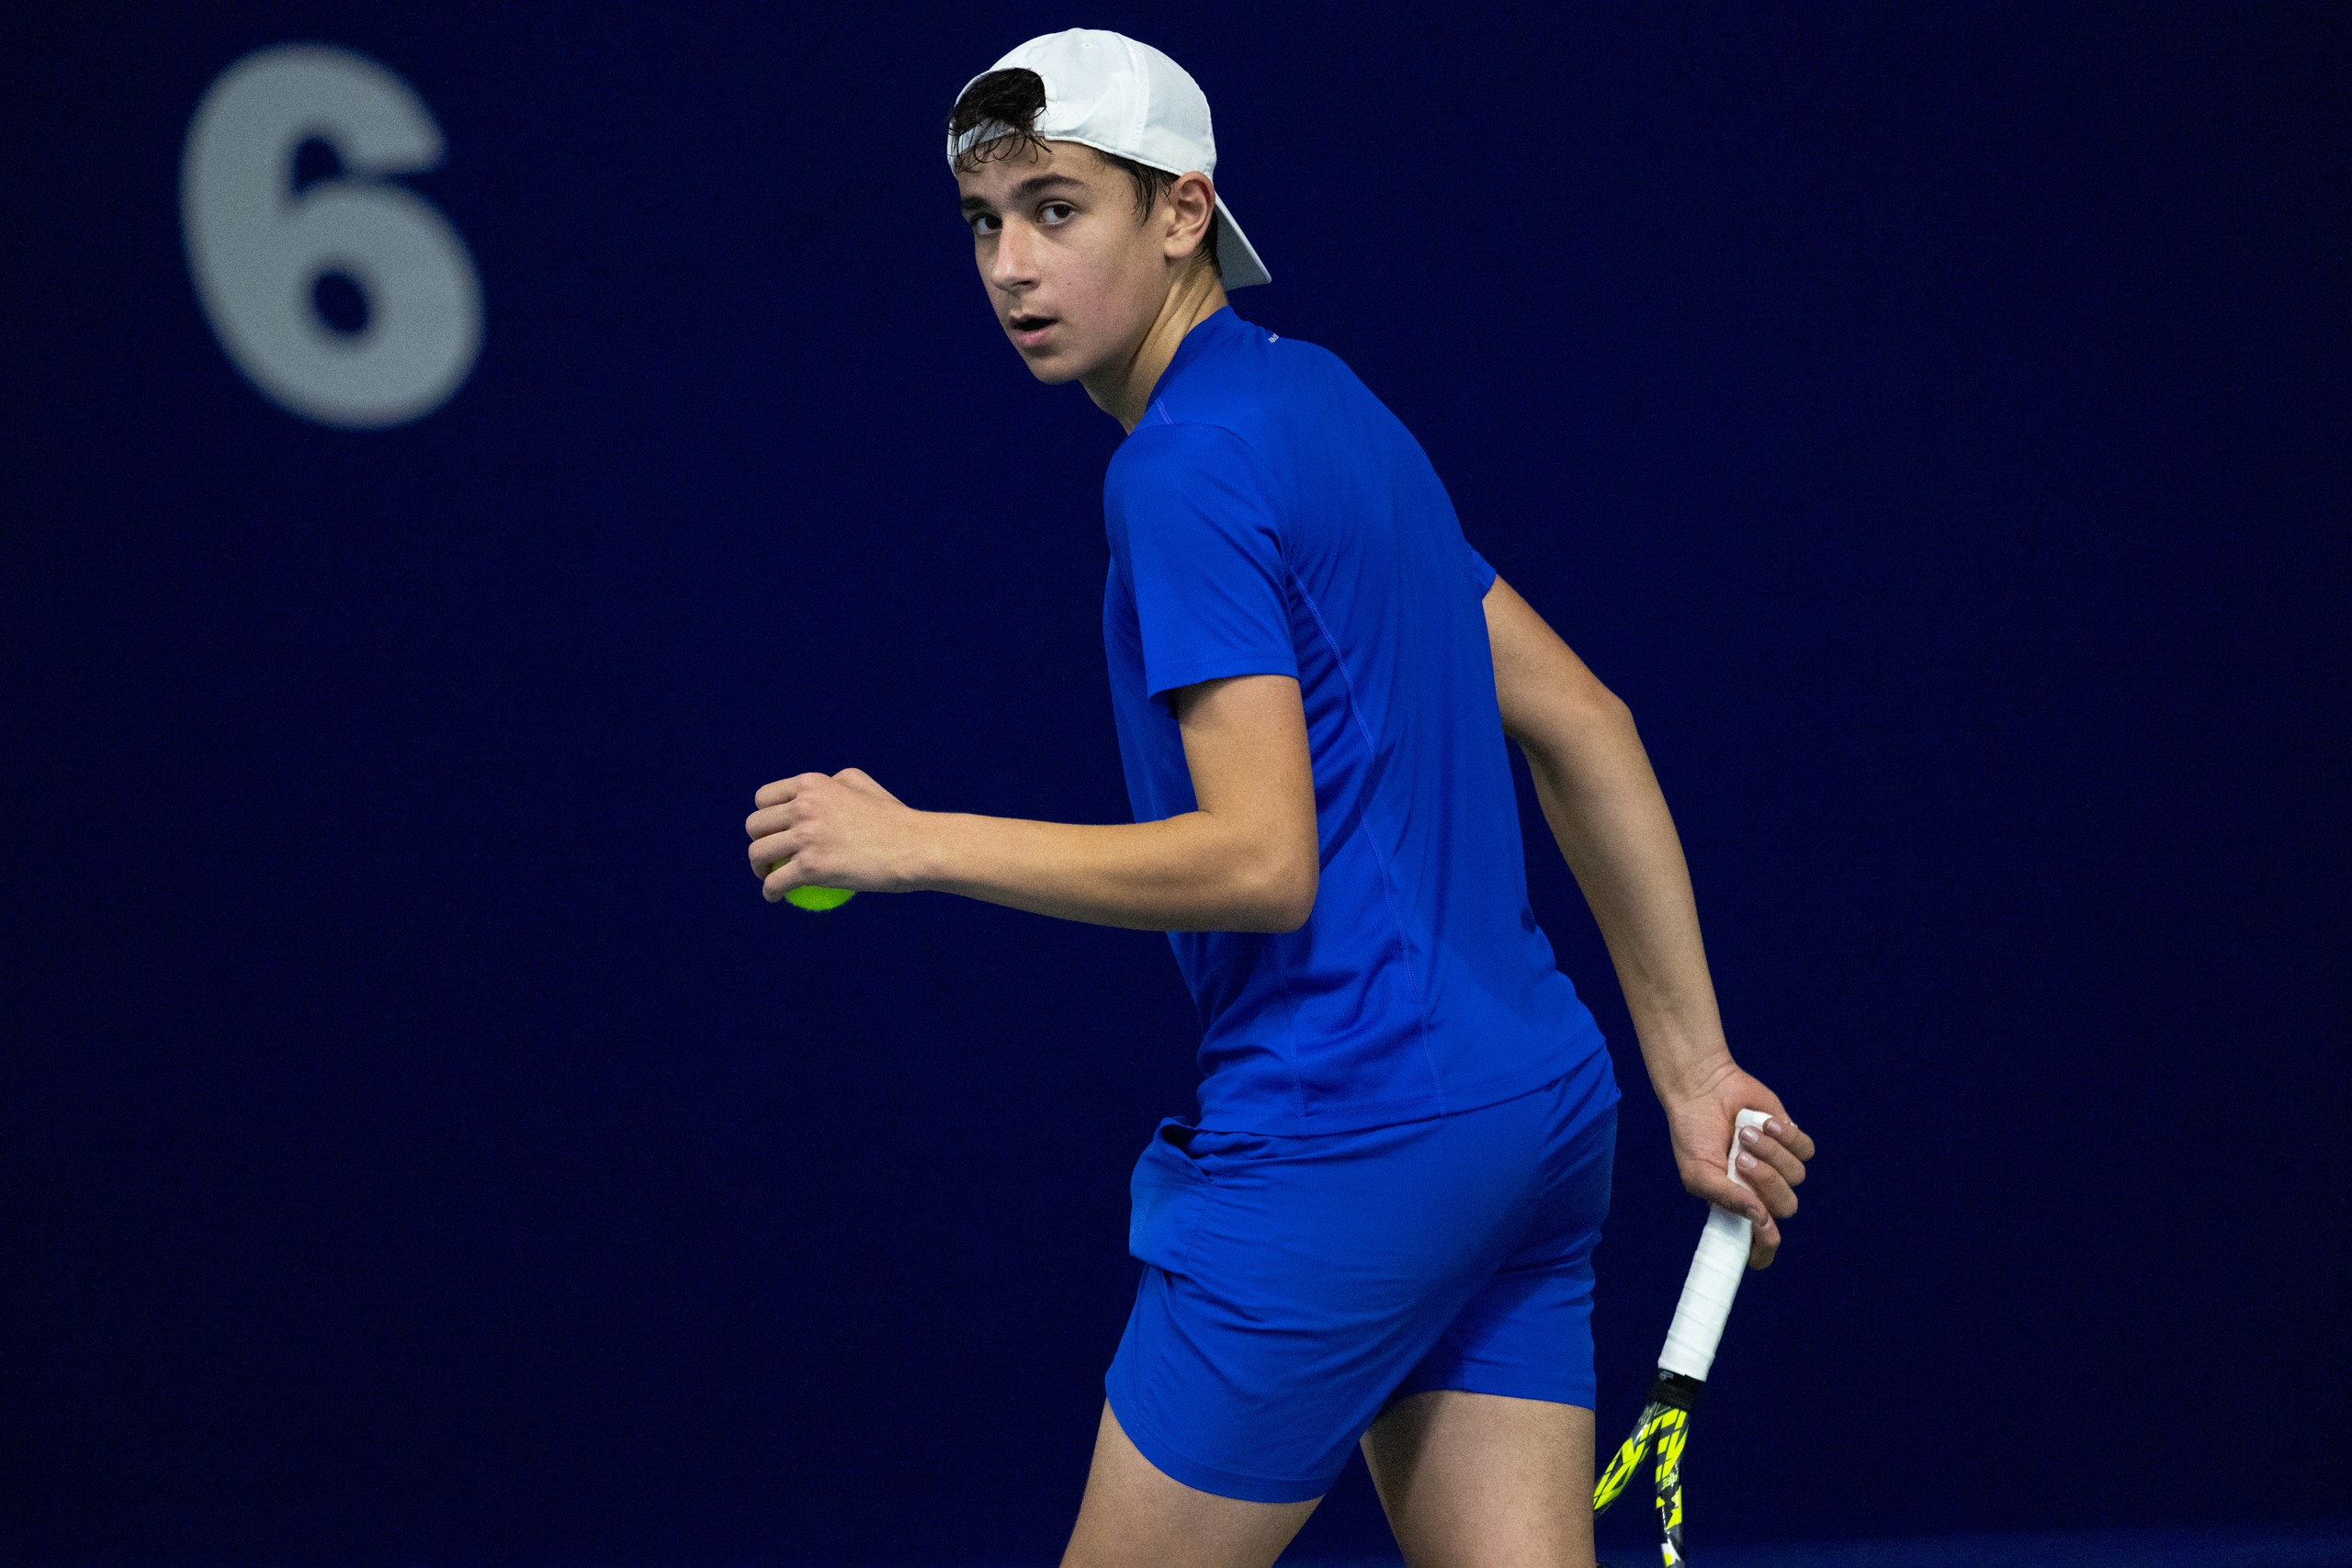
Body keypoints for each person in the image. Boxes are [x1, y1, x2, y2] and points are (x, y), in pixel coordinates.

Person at [743, 28, 1815, 1568]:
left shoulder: (1178, 470)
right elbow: (1590, 721)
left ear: (1184, 212)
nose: (1011, 267)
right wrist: (1695, 1069)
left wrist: (915, 843)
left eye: (1058, 209)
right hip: (1530, 1122)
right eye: (985, 223)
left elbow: (1261, 860)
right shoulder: (1328, 407)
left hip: (1351, 1144)